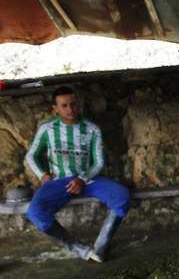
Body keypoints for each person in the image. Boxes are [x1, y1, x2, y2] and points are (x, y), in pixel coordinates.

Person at [25, 86, 130, 262]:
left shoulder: (91, 129)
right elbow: (31, 155)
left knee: (122, 195)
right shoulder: (47, 129)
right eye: (64, 105)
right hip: (59, 181)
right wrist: (42, 174)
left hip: (88, 180)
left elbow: (98, 162)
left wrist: (82, 179)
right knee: (35, 213)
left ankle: (101, 246)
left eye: (73, 104)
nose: (70, 109)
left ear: (78, 105)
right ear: (55, 108)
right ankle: (78, 248)